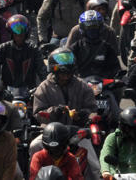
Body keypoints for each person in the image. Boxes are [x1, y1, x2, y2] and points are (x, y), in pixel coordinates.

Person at [32, 50, 105, 180]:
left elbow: (93, 109)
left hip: (77, 132)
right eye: (62, 73)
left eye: (68, 73)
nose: (65, 77)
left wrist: (81, 115)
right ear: (54, 72)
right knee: (34, 146)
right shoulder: (43, 88)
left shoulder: (82, 86)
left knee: (93, 162)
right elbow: (38, 113)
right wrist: (55, 111)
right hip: (50, 134)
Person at [0, 15, 46, 90]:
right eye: (16, 33)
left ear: (26, 33)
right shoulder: (2, 49)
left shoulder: (34, 49)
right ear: (11, 33)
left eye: (21, 32)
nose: (19, 35)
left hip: (30, 91)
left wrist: (42, 87)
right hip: (6, 92)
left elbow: (42, 71)